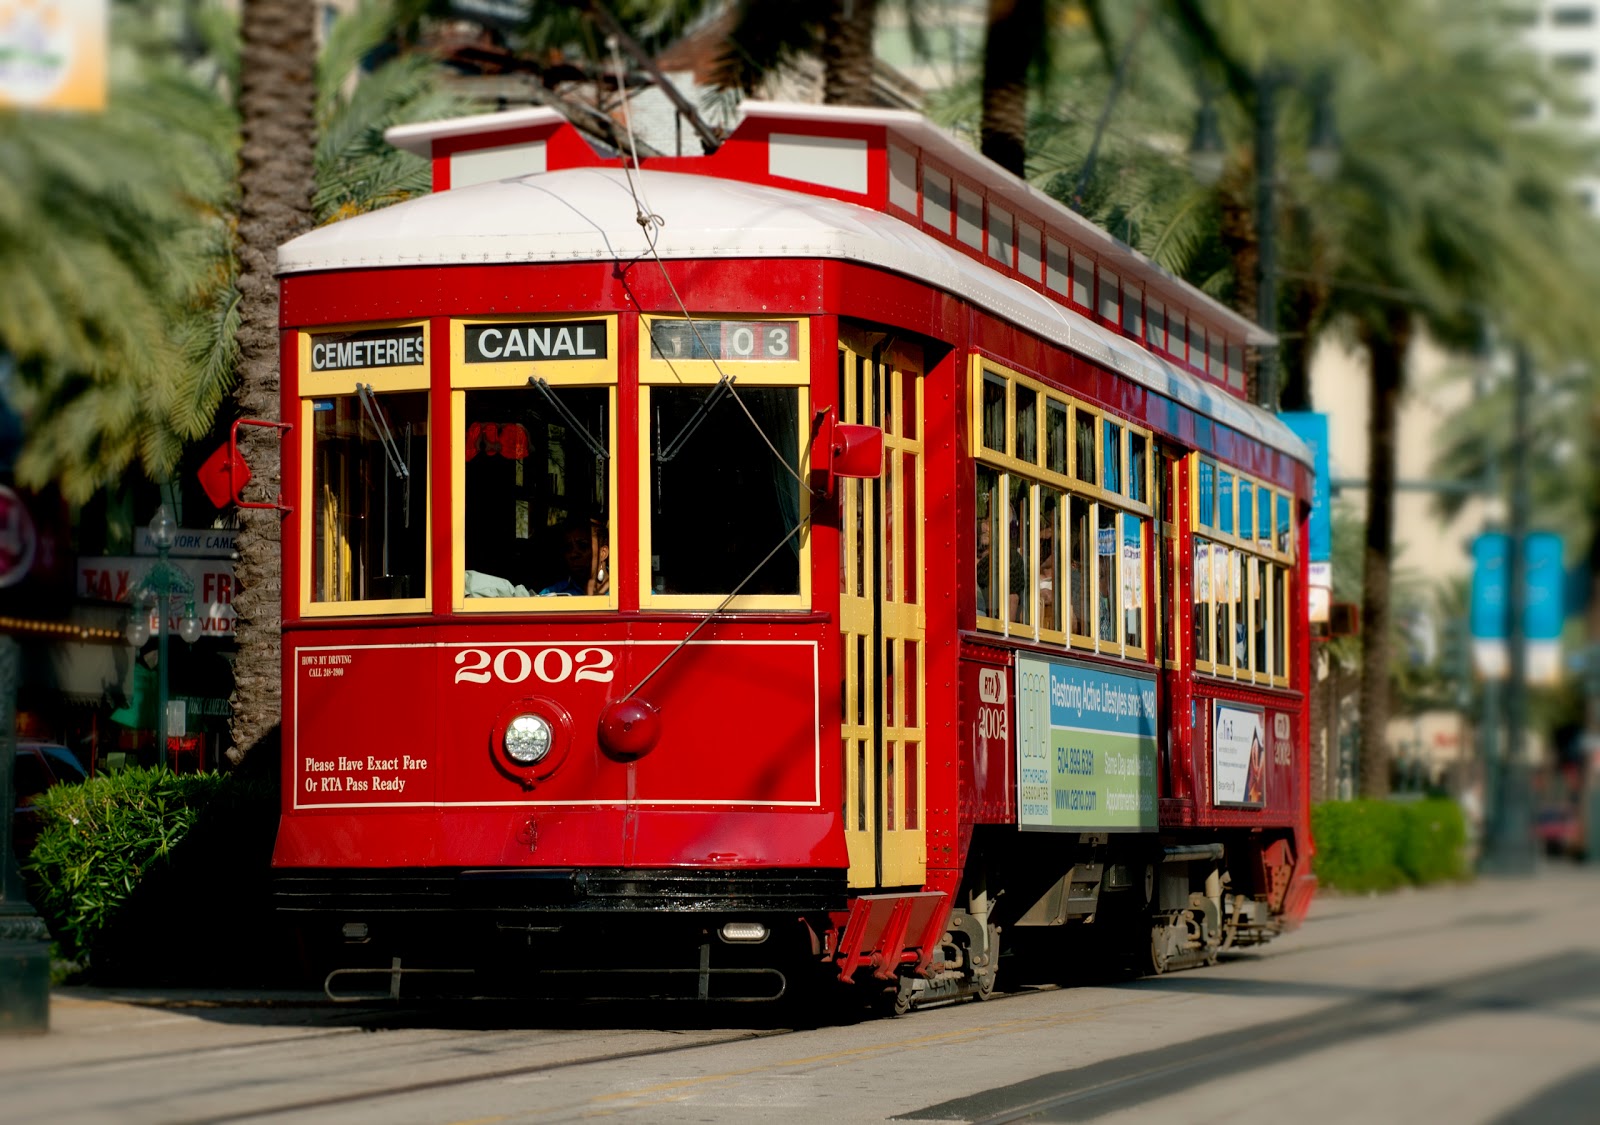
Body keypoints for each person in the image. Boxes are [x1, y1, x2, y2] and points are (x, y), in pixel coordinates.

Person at [541, 519, 609, 596]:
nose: (573, 554)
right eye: (568, 547)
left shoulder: (618, 589)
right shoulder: (552, 593)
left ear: (603, 553)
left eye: (583, 546)